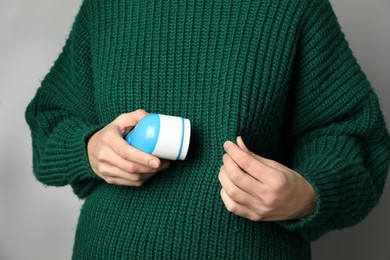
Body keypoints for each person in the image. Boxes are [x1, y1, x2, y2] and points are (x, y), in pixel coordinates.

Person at [25, 0, 390, 259]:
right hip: (109, 249)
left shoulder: (293, 7)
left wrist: (308, 194)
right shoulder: (107, 7)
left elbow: (349, 135)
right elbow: (50, 120)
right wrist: (88, 149)